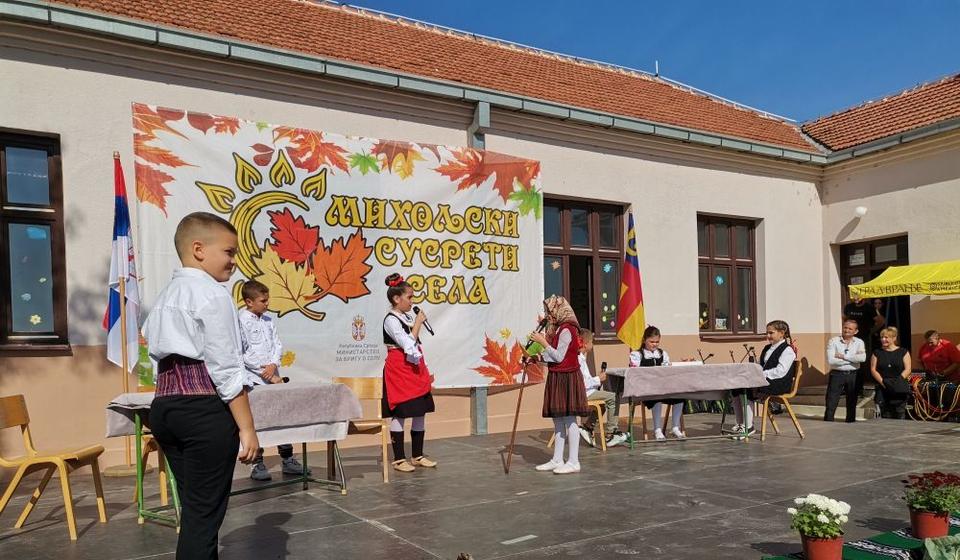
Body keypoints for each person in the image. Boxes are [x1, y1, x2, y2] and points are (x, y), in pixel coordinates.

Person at [144, 212, 259, 560]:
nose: (234, 261)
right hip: (202, 411)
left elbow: (155, 353)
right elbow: (225, 368)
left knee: (196, 510)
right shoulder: (211, 294)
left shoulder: (166, 294)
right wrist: (248, 428)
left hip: (165, 410)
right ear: (198, 249)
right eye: (229, 252)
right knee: (203, 517)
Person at [238, 279, 309, 481]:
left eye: (267, 300)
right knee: (257, 421)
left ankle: (288, 459)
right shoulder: (240, 321)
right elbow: (243, 352)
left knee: (281, 417)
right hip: (254, 380)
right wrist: (264, 370)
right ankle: (257, 464)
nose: (267, 304)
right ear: (249, 302)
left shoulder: (268, 320)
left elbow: (277, 344)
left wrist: (273, 364)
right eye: (263, 300)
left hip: (273, 377)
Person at [381, 273, 437, 473]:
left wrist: (425, 367)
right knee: (401, 412)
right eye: (410, 297)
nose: (412, 301)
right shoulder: (391, 320)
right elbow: (407, 343)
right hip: (399, 368)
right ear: (397, 298)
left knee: (419, 410)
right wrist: (419, 323)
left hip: (413, 366)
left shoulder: (406, 316)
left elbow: (415, 344)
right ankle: (398, 459)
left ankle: (417, 455)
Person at [528, 295, 588, 474]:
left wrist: (542, 342)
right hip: (557, 376)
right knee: (558, 420)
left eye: (549, 311)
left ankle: (574, 461)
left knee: (570, 419)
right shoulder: (558, 329)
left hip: (567, 377)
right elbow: (552, 356)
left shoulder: (568, 329)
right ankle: (557, 459)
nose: (547, 315)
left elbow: (559, 356)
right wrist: (535, 358)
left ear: (558, 311)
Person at [731, 320, 797, 436]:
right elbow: (762, 366)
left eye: (771, 333)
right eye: (767, 333)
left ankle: (749, 426)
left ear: (782, 333)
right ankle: (741, 423)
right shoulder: (767, 348)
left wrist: (762, 374)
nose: (768, 336)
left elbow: (780, 371)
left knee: (748, 389)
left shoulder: (787, 350)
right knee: (736, 388)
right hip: (765, 380)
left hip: (778, 383)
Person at [629, 326, 685, 440]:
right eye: (652, 341)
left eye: (657, 342)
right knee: (657, 397)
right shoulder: (637, 354)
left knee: (680, 396)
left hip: (663, 387)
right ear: (645, 340)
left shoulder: (662, 353)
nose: (654, 344)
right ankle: (657, 430)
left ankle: (675, 427)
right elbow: (635, 372)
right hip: (646, 389)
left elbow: (667, 370)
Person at [576, 329, 628, 448]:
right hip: (582, 394)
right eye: (592, 342)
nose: (592, 345)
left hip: (587, 392)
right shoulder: (578, 360)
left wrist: (597, 379)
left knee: (603, 403)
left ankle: (588, 427)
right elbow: (582, 384)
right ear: (585, 344)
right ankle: (610, 434)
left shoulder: (581, 358)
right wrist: (598, 379)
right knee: (612, 397)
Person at [824, 319, 867, 422]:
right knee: (831, 400)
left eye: (850, 328)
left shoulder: (859, 342)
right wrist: (852, 360)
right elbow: (831, 360)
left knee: (852, 400)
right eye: (845, 327)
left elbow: (862, 358)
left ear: (855, 331)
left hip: (853, 375)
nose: (846, 330)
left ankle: (850, 422)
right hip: (837, 374)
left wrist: (843, 356)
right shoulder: (833, 341)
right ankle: (828, 421)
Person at [870, 326, 912, 419]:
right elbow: (873, 369)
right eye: (882, 337)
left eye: (886, 337)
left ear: (894, 338)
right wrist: (883, 382)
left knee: (900, 413)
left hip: (899, 386)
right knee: (885, 414)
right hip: (883, 385)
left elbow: (908, 369)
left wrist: (897, 382)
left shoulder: (903, 352)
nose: (883, 339)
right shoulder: (877, 352)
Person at [843, 297, 874, 397]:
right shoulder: (848, 307)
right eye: (853, 295)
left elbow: (880, 320)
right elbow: (844, 318)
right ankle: (846, 388)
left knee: (861, 364)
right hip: (849, 338)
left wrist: (870, 331)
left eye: (858, 295)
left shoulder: (869, 308)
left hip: (863, 339)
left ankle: (859, 389)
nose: (855, 298)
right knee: (846, 361)